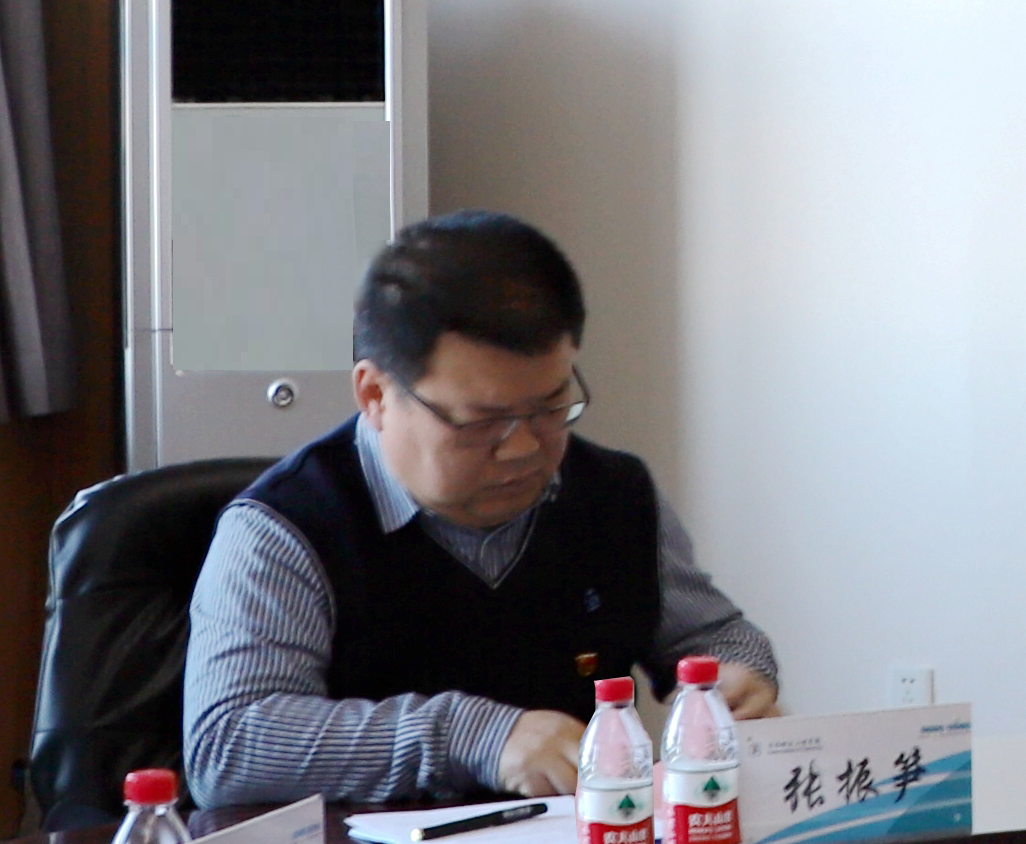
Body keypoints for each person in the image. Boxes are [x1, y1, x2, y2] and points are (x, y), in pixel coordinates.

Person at [183, 209, 779, 808]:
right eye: (480, 422)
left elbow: (712, 636)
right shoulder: (285, 530)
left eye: (551, 408)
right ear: (375, 394)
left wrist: (738, 677)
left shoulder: (614, 494)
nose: (522, 449)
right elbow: (228, 746)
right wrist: (473, 736)